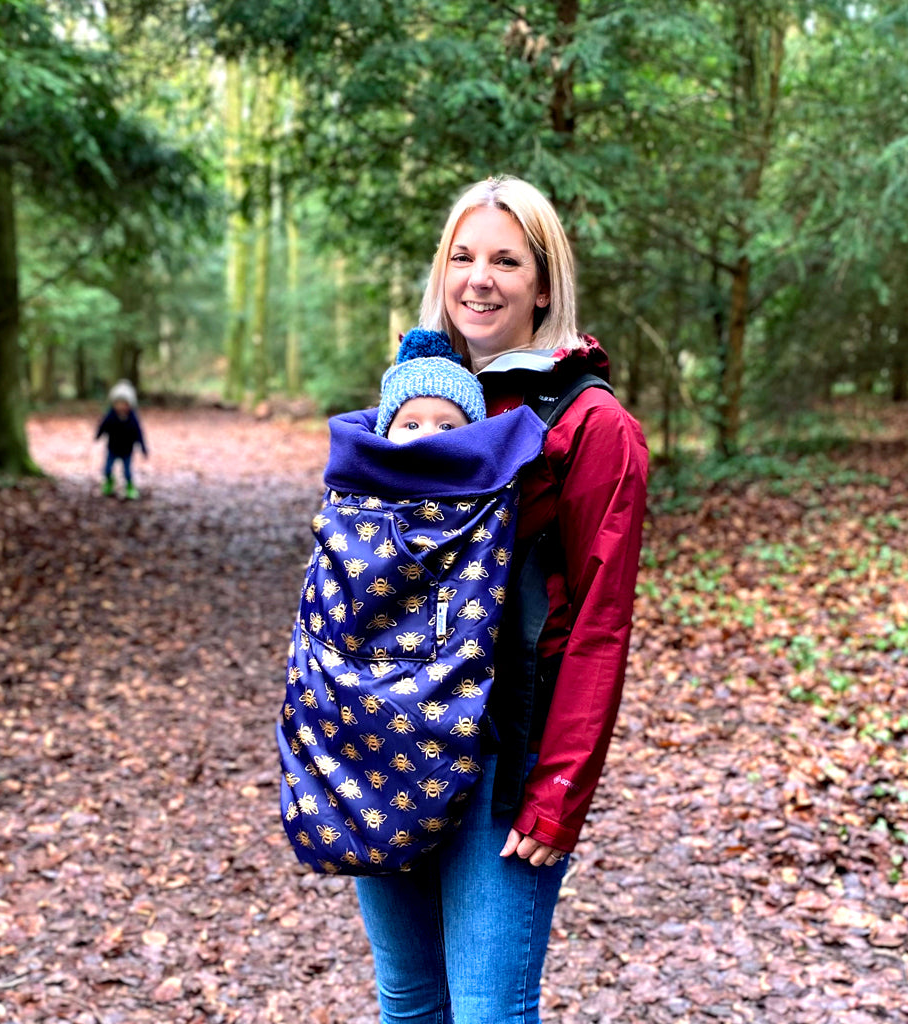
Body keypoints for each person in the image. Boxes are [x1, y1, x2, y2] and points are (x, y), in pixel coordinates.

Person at [353, 176, 649, 1023]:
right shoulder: (412, 407)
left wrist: (558, 795)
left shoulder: (593, 427)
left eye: (506, 260)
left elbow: (601, 626)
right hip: (392, 742)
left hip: (499, 766)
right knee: (409, 1003)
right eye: (463, 256)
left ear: (544, 284)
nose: (479, 278)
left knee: (488, 1010)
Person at [277, 328, 547, 875]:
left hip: (442, 717)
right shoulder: (351, 491)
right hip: (349, 713)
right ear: (385, 429)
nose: (428, 437)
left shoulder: (487, 498)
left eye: (449, 426)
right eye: (411, 424)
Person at [95, 379, 147, 499]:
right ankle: (109, 483)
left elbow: (138, 433)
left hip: (127, 450)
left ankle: (130, 488)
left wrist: (143, 448)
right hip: (112, 448)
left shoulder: (132, 418)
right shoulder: (110, 415)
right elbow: (103, 426)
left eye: (124, 403)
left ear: (130, 404)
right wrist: (98, 435)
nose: (121, 406)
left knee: (127, 472)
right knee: (107, 469)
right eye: (118, 403)